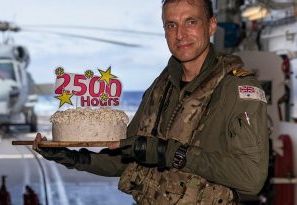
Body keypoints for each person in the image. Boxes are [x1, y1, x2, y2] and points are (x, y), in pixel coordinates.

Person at [33, 0, 269, 204]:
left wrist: (170, 153)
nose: (180, 35)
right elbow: (127, 155)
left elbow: (250, 179)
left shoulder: (238, 90)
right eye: (171, 25)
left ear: (212, 25)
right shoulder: (161, 87)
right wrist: (75, 158)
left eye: (191, 22)